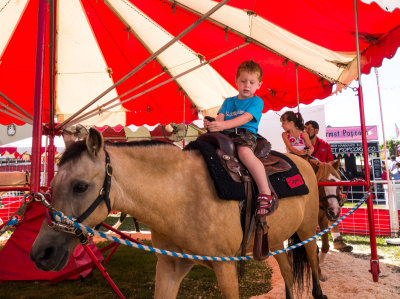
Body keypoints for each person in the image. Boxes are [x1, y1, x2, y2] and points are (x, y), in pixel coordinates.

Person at [204, 60, 277, 216]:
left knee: (244, 153)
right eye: (243, 81)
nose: (247, 85)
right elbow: (221, 118)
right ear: (236, 81)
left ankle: (265, 192)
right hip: (225, 134)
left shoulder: (257, 101)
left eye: (252, 82)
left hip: (245, 134)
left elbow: (245, 118)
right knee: (205, 149)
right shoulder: (229, 101)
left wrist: (222, 126)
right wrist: (212, 124)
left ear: (259, 85)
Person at [305, 120, 353, 252]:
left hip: (324, 183)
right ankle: (310, 243)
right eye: (305, 128)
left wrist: (339, 189)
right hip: (310, 182)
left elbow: (332, 166)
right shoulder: (303, 144)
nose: (306, 130)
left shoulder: (325, 144)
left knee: (333, 207)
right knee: (309, 214)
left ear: (316, 130)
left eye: (309, 128)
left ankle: (337, 240)